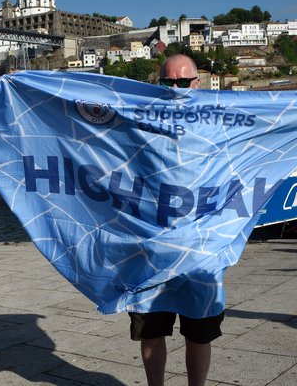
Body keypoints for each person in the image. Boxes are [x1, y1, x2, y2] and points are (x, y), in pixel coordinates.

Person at [129, 54, 224, 386]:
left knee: (200, 333)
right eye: (167, 82)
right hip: (151, 246)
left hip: (200, 250)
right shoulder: (139, 120)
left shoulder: (220, 122)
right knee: (150, 331)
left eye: (182, 82)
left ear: (196, 83)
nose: (174, 89)